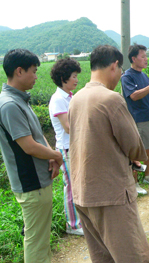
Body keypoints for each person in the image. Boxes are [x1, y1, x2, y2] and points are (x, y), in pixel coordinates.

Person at [68, 45, 149, 263]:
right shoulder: (111, 99)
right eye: (120, 68)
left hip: (82, 191)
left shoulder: (76, 98)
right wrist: (137, 161)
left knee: (103, 254)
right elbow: (134, 144)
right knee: (134, 255)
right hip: (111, 192)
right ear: (114, 66)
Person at [0, 49, 69, 263]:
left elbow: (37, 137)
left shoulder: (20, 99)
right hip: (29, 181)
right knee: (35, 235)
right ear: (19, 71)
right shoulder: (9, 104)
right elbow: (28, 146)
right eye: (33, 71)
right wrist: (57, 156)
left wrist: (51, 156)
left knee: (39, 230)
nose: (36, 76)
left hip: (38, 177)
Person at [121, 44, 149, 195]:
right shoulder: (127, 76)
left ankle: (148, 176)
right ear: (134, 59)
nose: (146, 59)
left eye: (146, 56)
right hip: (138, 119)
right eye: (143, 56)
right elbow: (133, 96)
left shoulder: (144, 75)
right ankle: (134, 183)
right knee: (137, 152)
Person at [49, 58, 84, 235]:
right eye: (73, 76)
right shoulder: (58, 99)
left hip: (75, 146)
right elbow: (68, 127)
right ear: (63, 78)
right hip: (66, 148)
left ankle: (79, 221)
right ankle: (72, 224)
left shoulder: (70, 97)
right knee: (71, 186)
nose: (76, 80)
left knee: (78, 184)